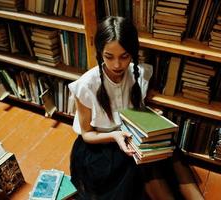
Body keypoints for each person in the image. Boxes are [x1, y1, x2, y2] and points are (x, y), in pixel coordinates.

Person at [68, 16, 203, 200]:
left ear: (132, 53)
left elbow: (135, 111)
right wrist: (115, 136)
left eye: (124, 56)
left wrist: (150, 117)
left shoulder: (137, 74)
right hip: (102, 145)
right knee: (143, 168)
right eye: (109, 56)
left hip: (133, 136)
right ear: (99, 52)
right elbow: (87, 134)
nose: (117, 65)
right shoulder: (86, 85)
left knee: (170, 152)